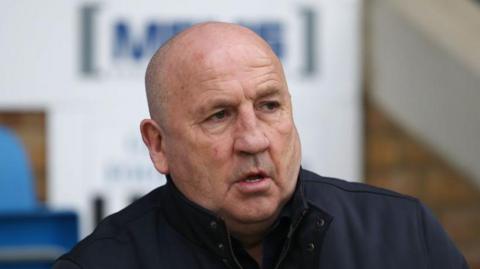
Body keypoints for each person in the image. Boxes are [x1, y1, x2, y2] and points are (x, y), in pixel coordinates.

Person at [54, 22, 468, 269]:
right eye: (219, 115)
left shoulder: (403, 234)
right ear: (158, 145)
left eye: (269, 106)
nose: (253, 139)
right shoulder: (100, 264)